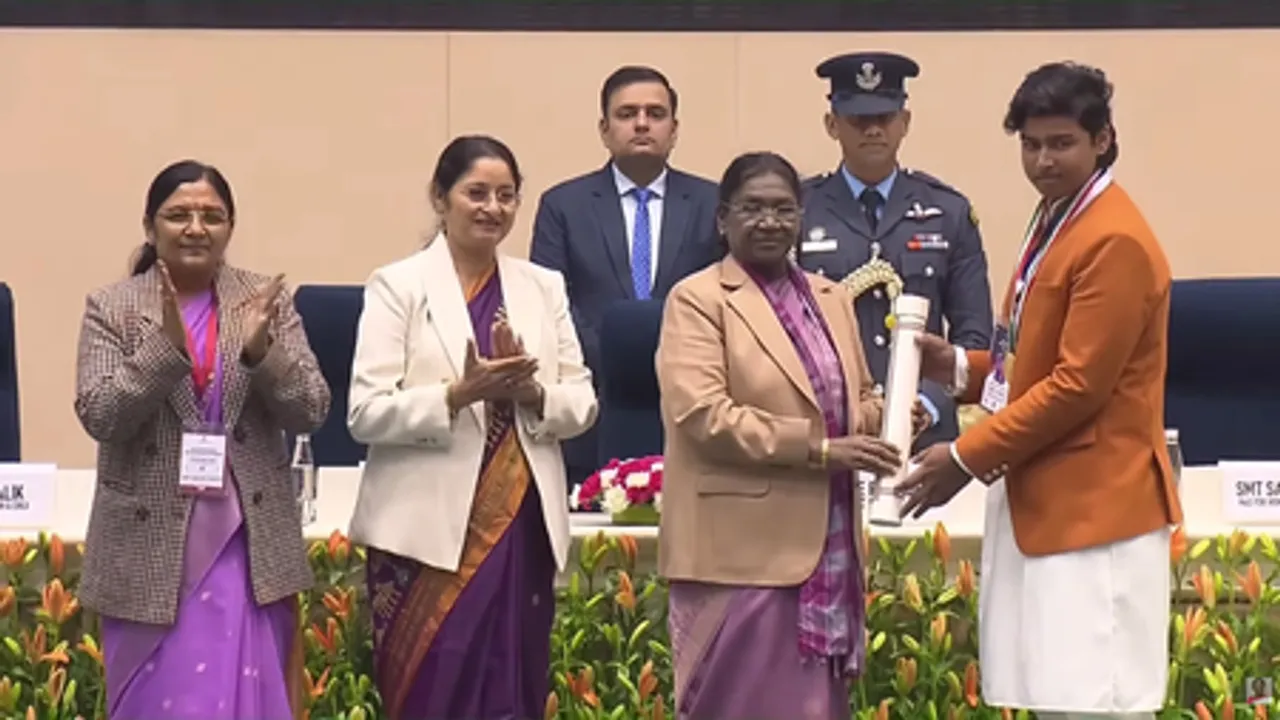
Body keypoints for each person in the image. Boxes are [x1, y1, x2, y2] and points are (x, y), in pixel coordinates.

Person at [897, 62, 1184, 720]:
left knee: (1093, 704)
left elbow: (1079, 386)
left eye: (1061, 143)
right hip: (1050, 501)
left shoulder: (1114, 237)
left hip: (1096, 510)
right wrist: (962, 369)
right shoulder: (1057, 216)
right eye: (1031, 144)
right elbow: (1033, 356)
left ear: (1103, 140)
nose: (1044, 160)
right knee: (1054, 700)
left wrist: (965, 458)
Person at [656, 151, 929, 720]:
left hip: (825, 547)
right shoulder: (698, 300)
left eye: (784, 209)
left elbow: (850, 402)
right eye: (752, 208)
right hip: (737, 556)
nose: (769, 222)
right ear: (722, 219)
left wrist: (894, 415)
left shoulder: (829, 297)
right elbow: (705, 416)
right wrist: (822, 451)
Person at [346, 135, 598, 720]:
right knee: (432, 694)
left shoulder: (541, 287)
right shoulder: (398, 286)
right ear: (441, 198)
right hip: (424, 537)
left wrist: (530, 392)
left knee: (513, 686)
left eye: (506, 196)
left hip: (518, 528)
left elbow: (583, 402)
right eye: (476, 193)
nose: (492, 208)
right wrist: (458, 395)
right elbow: (365, 411)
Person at [75, 159, 331, 719]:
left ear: (230, 228)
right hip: (150, 548)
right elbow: (100, 414)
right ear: (150, 226)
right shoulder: (112, 307)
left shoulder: (264, 302)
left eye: (212, 215)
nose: (196, 227)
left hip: (245, 543)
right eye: (179, 214)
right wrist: (163, 351)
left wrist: (265, 353)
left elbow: (311, 409)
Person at [530, 65, 720, 490]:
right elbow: (550, 303)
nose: (641, 123)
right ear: (604, 128)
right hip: (593, 407)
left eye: (655, 113)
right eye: (627, 113)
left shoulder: (714, 202)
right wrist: (619, 358)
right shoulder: (564, 205)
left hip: (692, 407)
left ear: (674, 129)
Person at [797, 51, 993, 452]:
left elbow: (974, 336)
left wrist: (926, 403)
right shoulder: (799, 210)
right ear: (832, 125)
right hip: (833, 431)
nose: (873, 131)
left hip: (926, 435)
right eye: (859, 120)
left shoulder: (948, 212)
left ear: (905, 123)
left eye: (884, 119)